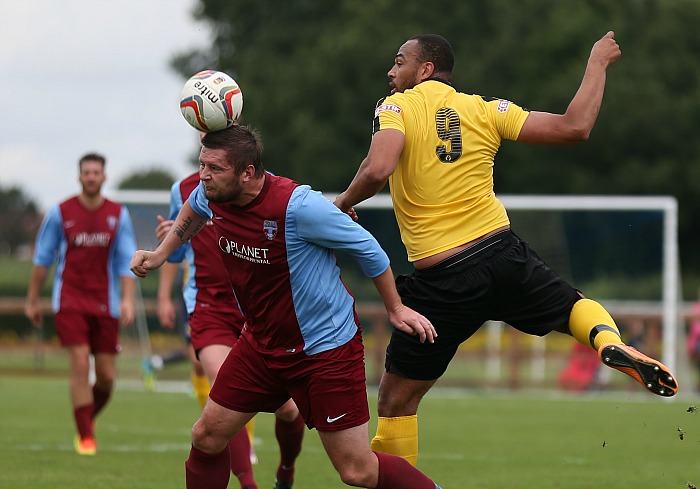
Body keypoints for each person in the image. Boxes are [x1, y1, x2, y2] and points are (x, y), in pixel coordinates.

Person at [334, 32, 679, 466]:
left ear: (424, 70)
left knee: (395, 402)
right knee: (573, 305)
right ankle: (609, 340)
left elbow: (378, 167)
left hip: (445, 279)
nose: (391, 71)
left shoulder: (396, 106)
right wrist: (596, 63)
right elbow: (575, 127)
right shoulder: (485, 109)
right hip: (503, 254)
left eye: (399, 61)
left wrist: (343, 203)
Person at [130, 124, 443, 489]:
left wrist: (396, 309)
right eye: (202, 166)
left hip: (324, 350)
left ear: (247, 173)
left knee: (356, 471)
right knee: (206, 436)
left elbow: (369, 249)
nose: (203, 177)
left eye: (214, 169)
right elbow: (193, 209)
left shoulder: (298, 206)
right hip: (261, 346)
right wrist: (160, 254)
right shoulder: (213, 194)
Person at [156, 171, 305, 489]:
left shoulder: (262, 184)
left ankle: (286, 470)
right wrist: (164, 287)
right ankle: (249, 484)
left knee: (290, 410)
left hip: (260, 307)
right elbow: (177, 249)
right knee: (225, 394)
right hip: (210, 306)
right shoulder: (182, 190)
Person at [25, 152, 137, 456]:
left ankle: (86, 418)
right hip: (70, 300)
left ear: (104, 177)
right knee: (78, 363)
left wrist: (127, 299)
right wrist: (33, 299)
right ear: (79, 177)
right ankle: (86, 436)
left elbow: (126, 260)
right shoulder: (61, 212)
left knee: (107, 377)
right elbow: (42, 258)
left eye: (96, 172)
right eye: (86, 172)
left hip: (105, 303)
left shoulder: (118, 214)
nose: (91, 177)